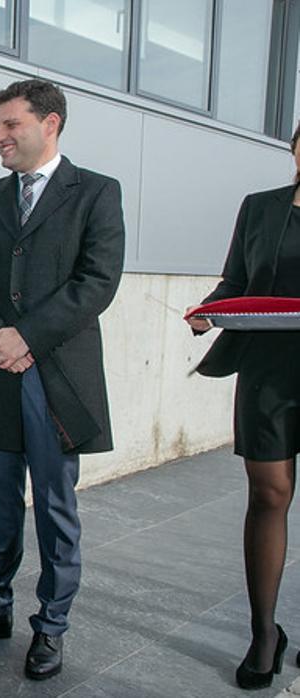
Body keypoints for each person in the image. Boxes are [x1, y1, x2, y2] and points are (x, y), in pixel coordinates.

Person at [0, 79, 125, 681]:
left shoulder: (96, 192)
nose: (0, 137)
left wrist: (27, 338)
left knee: (56, 508)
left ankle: (52, 627)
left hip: (58, 376)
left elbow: (97, 281)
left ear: (51, 124)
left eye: (11, 125)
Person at [185, 122, 300, 689]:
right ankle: (264, 633)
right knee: (270, 492)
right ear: (296, 147)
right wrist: (209, 309)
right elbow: (235, 279)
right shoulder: (261, 207)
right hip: (269, 367)